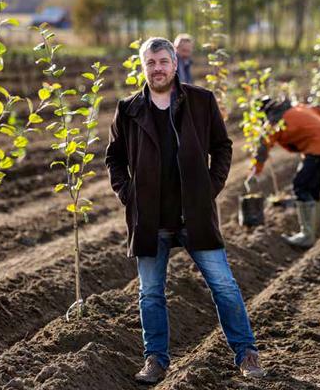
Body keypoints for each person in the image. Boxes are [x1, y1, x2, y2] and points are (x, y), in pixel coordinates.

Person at [105, 37, 265, 384]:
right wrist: (128, 194)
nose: (157, 68)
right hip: (149, 217)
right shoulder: (128, 109)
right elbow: (113, 158)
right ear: (142, 66)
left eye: (163, 61)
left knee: (224, 286)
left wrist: (210, 188)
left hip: (194, 213)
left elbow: (222, 147)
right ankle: (156, 360)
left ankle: (246, 353)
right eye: (151, 63)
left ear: (175, 64)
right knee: (150, 293)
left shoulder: (201, 101)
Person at [249, 98, 320, 248]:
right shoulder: (299, 108)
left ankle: (307, 235)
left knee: (301, 186)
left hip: (319, 149)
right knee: (313, 189)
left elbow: (263, 147)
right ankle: (310, 233)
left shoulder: (274, 122)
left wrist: (256, 171)